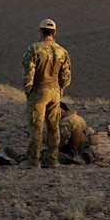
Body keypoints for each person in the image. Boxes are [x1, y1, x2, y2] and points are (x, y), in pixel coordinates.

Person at [21, 18, 71, 168]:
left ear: (41, 31)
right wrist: (59, 90)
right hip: (55, 92)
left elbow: (28, 73)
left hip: (39, 91)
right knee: (53, 127)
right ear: (54, 33)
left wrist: (29, 91)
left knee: (36, 127)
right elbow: (66, 77)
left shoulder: (34, 49)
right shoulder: (62, 52)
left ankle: (33, 161)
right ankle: (51, 159)